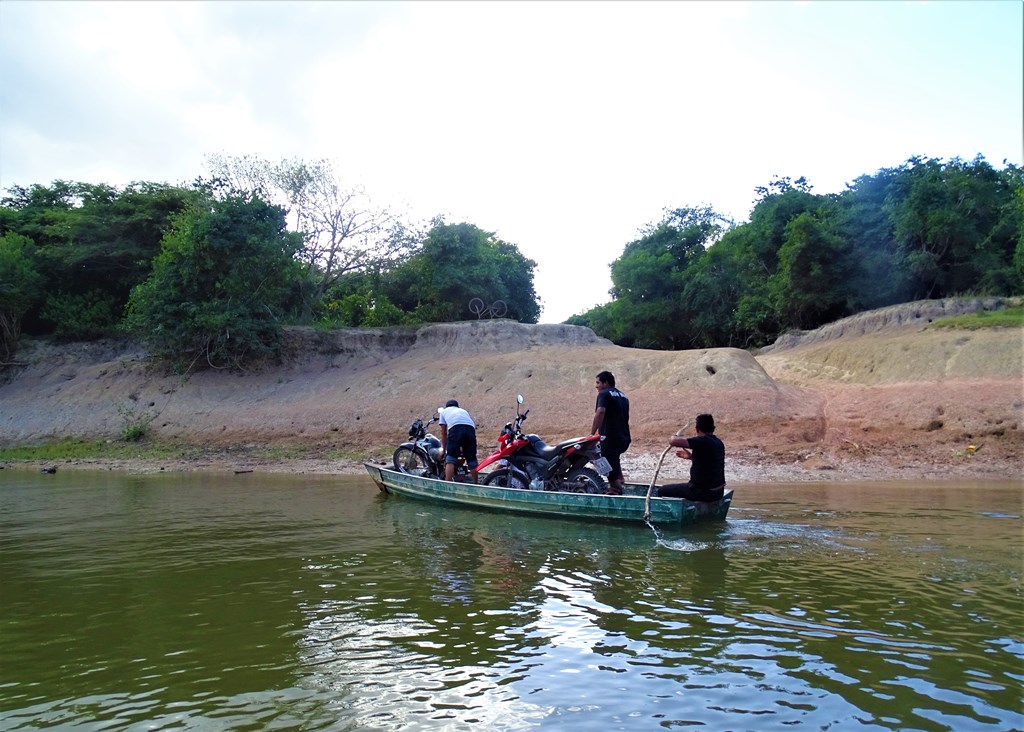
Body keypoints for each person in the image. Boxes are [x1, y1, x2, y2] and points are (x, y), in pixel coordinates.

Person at [658, 413, 726, 501]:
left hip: (702, 492)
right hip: (718, 493)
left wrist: (674, 437)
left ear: (697, 429)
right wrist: (692, 457)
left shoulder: (702, 441)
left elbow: (674, 441)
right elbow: (710, 462)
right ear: (713, 428)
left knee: (661, 490)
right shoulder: (718, 442)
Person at [590, 370, 630, 494]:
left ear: (605, 382)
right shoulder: (623, 395)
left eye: (598, 382)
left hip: (610, 438)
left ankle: (615, 488)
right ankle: (620, 478)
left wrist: (592, 434)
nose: (596, 386)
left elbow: (600, 412)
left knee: (603, 459)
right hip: (624, 437)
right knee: (613, 458)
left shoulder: (604, 394)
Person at [438, 399, 479, 483]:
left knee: (450, 458)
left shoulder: (444, 412)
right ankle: (476, 484)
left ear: (447, 406)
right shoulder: (463, 411)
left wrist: (444, 449)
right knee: (471, 459)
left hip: (455, 429)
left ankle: (447, 484)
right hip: (470, 430)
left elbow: (444, 433)